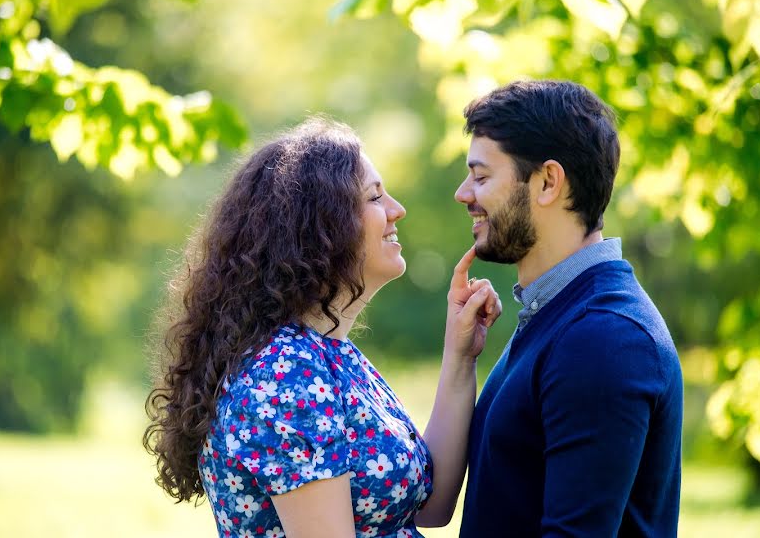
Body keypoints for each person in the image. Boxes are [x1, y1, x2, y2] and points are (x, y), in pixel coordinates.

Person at [143, 117, 502, 538]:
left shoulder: (328, 355)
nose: (397, 210)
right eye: (375, 197)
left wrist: (459, 354)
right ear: (323, 227)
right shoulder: (285, 376)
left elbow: (432, 506)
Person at [455, 80, 683, 537]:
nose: (464, 194)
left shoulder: (603, 337)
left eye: (481, 177)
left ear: (547, 182)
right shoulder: (560, 314)